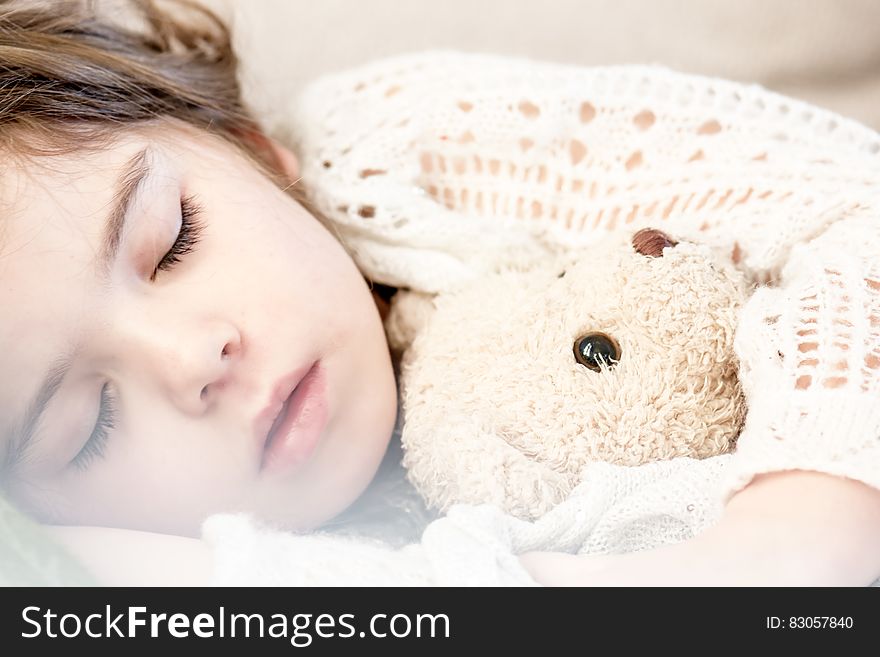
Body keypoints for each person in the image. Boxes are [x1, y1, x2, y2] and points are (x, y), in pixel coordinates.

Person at [0, 0, 878, 586]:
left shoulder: (397, 145)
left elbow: (849, 196)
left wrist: (813, 512)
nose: (194, 356)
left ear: (251, 147)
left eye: (175, 241)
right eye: (90, 426)